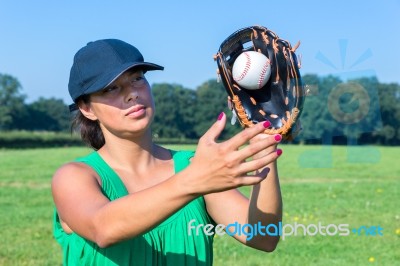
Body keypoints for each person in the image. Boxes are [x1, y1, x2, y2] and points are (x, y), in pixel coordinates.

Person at [52, 38, 283, 266]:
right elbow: (103, 228)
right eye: (112, 88)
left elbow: (263, 237)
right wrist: (194, 181)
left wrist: (264, 145)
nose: (132, 93)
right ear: (87, 108)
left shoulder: (193, 167)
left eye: (137, 79)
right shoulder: (74, 176)